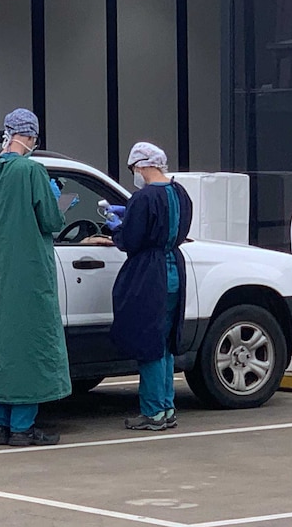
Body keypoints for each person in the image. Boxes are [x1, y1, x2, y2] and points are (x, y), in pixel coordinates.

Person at [0, 108, 71, 447]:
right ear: (30, 135)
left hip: (1, 269)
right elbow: (51, 222)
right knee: (30, 344)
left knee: (2, 344)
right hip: (31, 269)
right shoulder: (31, 170)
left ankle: (2, 425)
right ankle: (23, 427)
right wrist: (57, 200)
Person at [107, 142, 192, 431]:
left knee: (149, 344)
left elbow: (131, 240)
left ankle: (153, 411)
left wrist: (117, 227)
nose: (135, 174)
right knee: (166, 341)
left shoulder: (144, 198)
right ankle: (167, 407)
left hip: (149, 273)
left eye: (134, 169)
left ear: (142, 166)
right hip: (173, 270)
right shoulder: (180, 193)